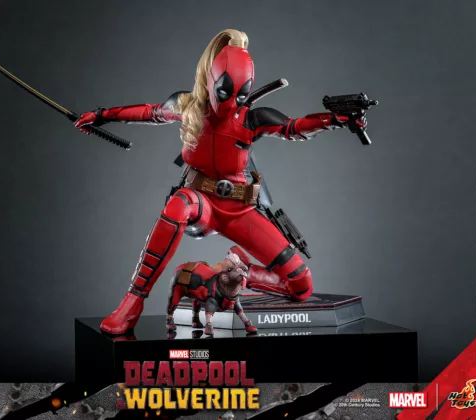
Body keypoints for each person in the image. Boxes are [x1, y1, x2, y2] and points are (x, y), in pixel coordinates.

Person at [75, 29, 366, 335]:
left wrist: (334, 119)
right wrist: (100, 115)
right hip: (201, 204)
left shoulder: (251, 119)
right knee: (178, 204)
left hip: (239, 211)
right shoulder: (187, 107)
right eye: (225, 92)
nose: (231, 103)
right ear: (210, 80)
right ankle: (132, 302)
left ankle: (243, 272)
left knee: (301, 285)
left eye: (241, 95)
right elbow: (148, 112)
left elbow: (294, 128)